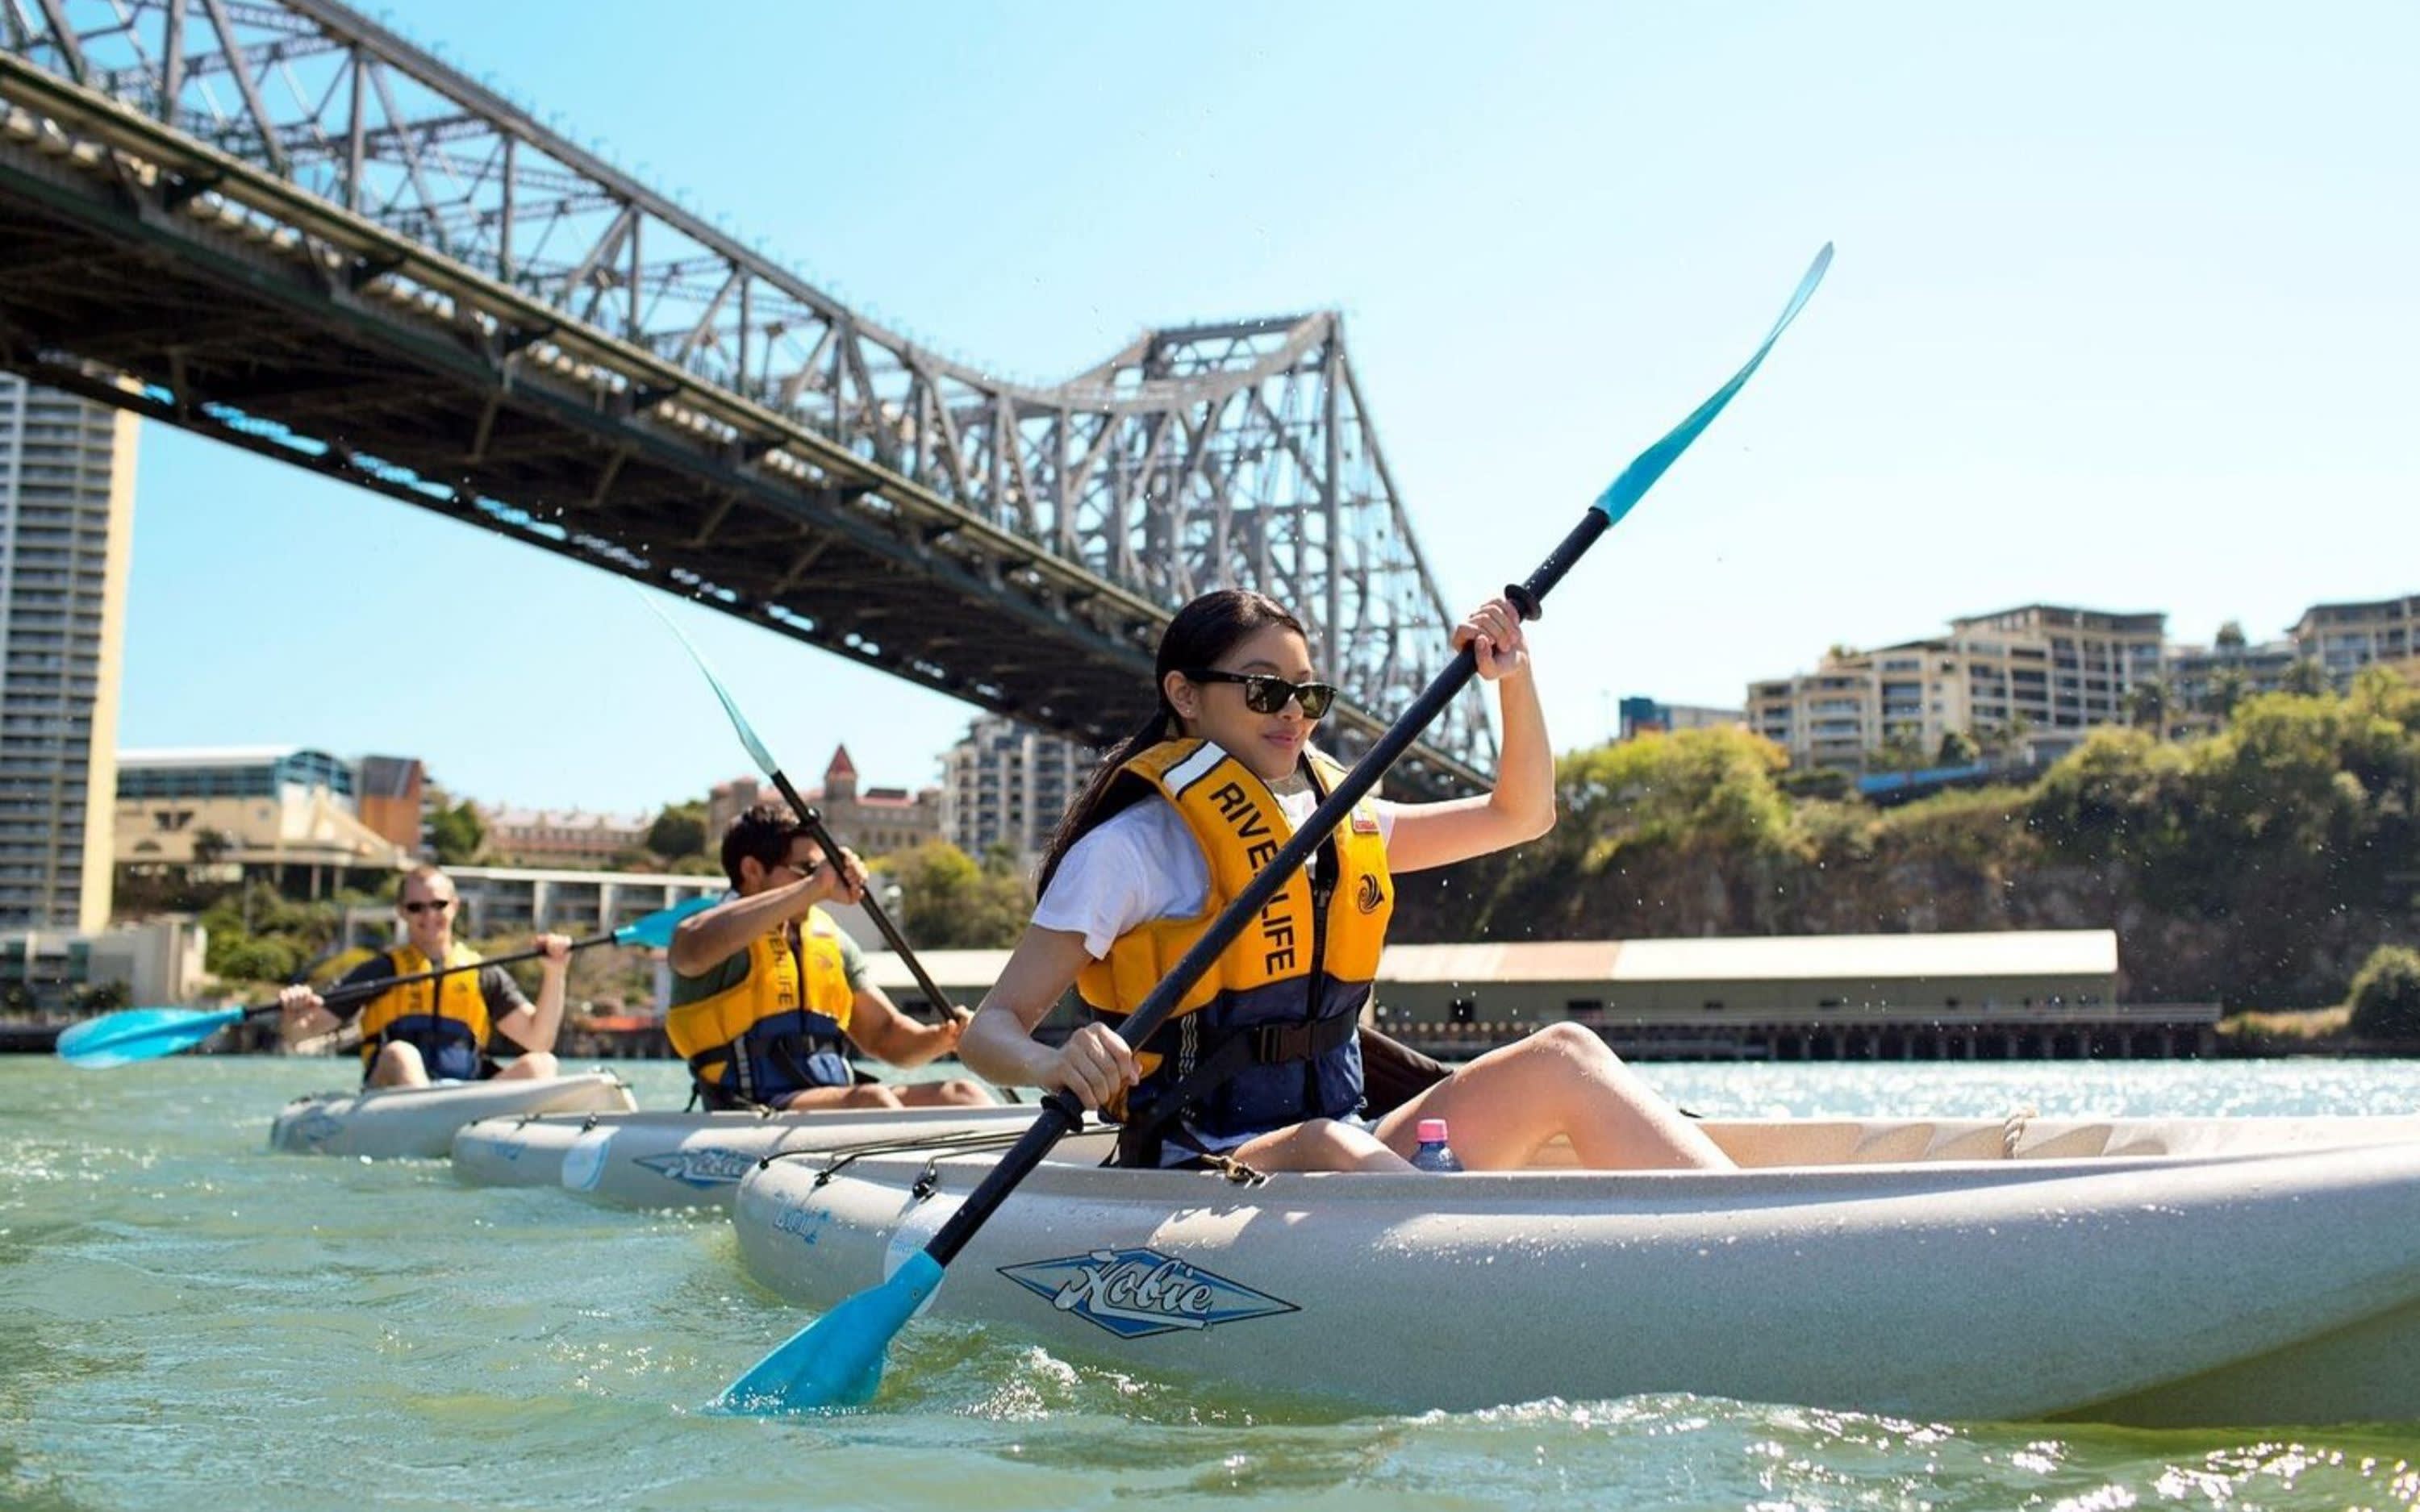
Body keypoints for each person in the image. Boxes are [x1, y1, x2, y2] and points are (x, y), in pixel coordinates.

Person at [959, 589, 1734, 1174]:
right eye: (1264, 688)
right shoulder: (1127, 850)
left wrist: (1510, 676)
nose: (1293, 714)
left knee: (1566, 1052)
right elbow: (990, 1029)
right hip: (1199, 1163)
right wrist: (1053, 1063)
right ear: (1185, 695)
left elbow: (1522, 814)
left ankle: (1744, 1236)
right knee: (1331, 1143)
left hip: (1352, 1138)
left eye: (1309, 693)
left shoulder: (1336, 822)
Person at [662, 804, 991, 1111]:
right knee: (873, 1101)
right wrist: (815, 886)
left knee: (963, 1095)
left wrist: (943, 1038)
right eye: (807, 869)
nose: (822, 879)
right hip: (749, 1107)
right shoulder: (711, 932)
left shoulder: (830, 941)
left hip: (833, 1101)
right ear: (752, 870)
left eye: (821, 869)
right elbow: (689, 954)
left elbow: (884, 1035)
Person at [277, 864, 571, 1087]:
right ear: (402, 912)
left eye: (438, 905)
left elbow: (539, 1040)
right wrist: (294, 1013)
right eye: (416, 907)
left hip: (464, 1096)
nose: (429, 915)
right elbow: (301, 1033)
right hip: (391, 1097)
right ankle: (427, 1118)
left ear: (454, 906)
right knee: (400, 1054)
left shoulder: (483, 974)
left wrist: (555, 972)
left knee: (542, 1065)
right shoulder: (381, 971)